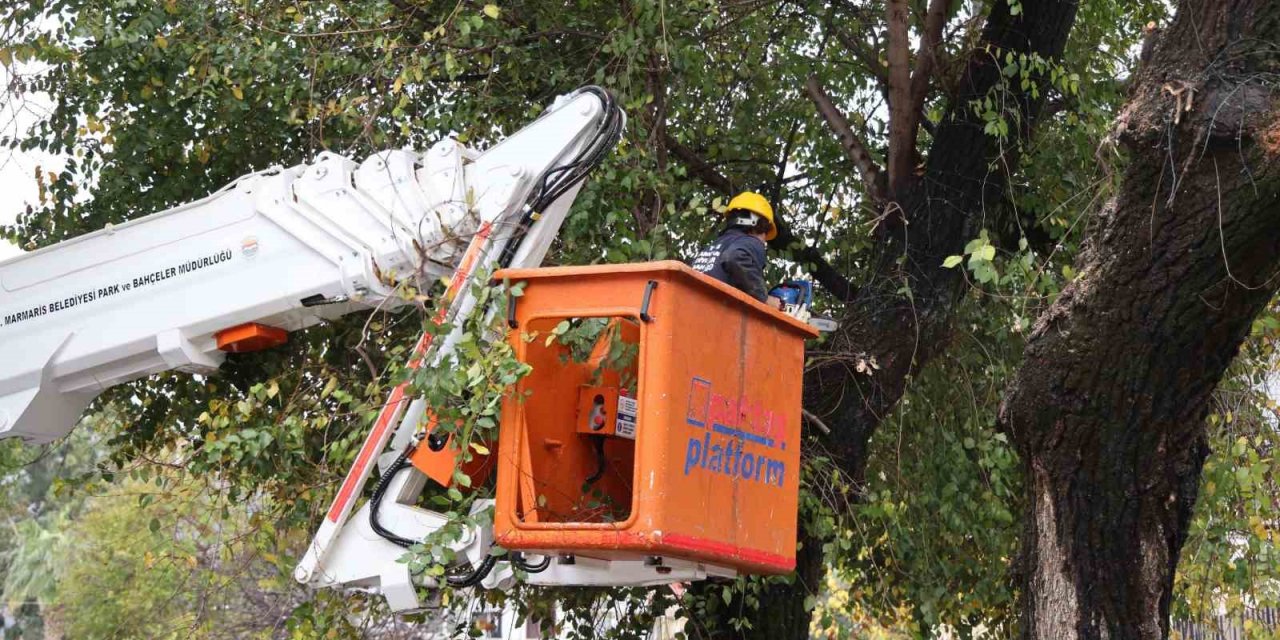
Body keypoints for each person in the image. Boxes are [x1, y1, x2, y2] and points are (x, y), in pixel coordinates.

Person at [690, 191, 776, 302]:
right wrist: (765, 299)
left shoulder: (713, 247)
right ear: (759, 225)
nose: (764, 240)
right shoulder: (751, 242)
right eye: (766, 231)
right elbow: (734, 256)